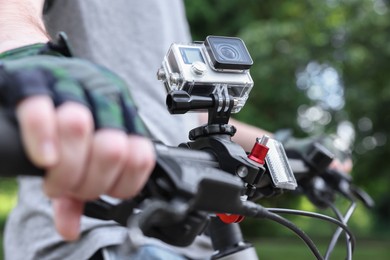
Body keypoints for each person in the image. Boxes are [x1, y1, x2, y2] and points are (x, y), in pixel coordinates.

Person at [0, 1, 351, 259]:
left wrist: (284, 148)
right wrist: (32, 57)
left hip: (202, 230)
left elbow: (188, 114)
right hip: (104, 232)